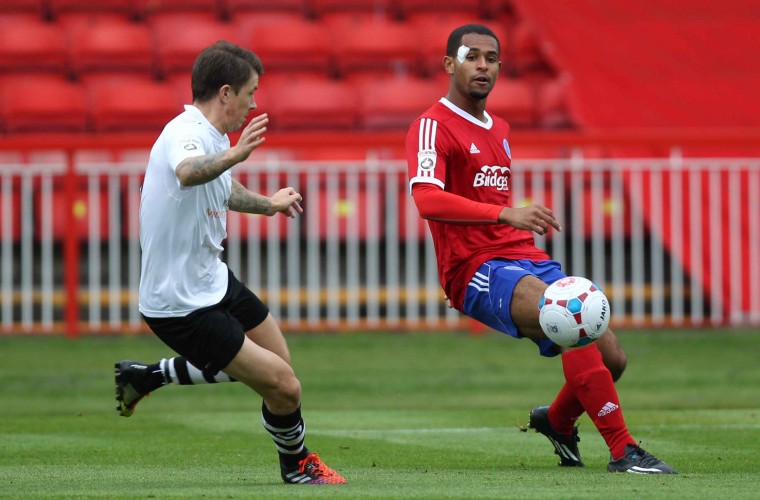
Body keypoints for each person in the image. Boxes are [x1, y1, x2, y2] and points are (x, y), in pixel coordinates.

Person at [405, 24, 676, 474]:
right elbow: (426, 199)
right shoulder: (431, 126)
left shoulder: (501, 128)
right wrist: (505, 214)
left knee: (612, 358)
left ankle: (556, 420)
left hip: (525, 257)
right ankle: (624, 450)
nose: (483, 66)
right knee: (572, 321)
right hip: (475, 267)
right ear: (449, 63)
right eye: (472, 56)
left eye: (491, 59)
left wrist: (511, 221)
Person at [114, 41, 346, 485]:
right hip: (179, 303)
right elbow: (189, 171)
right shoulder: (186, 131)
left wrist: (268, 204)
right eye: (250, 91)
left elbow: (220, 187)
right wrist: (237, 154)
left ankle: (146, 377)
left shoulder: (213, 138)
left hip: (213, 281)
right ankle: (297, 467)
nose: (254, 103)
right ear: (226, 92)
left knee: (279, 363)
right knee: (284, 386)